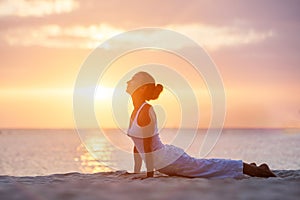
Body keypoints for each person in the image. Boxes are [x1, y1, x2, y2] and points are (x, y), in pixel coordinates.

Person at [126, 71, 276, 179]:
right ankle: (252, 166)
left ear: (142, 87)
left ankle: (258, 171)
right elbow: (137, 145)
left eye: (132, 80)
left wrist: (149, 175)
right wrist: (136, 171)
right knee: (204, 165)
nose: (127, 82)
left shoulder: (145, 111)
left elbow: (147, 147)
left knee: (205, 167)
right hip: (163, 160)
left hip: (167, 161)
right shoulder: (136, 110)